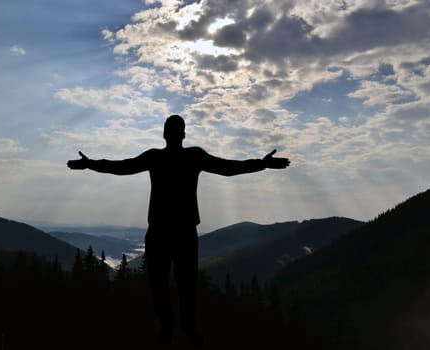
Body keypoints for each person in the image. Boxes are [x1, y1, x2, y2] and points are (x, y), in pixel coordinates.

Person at [67, 114, 290, 346]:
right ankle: (184, 329)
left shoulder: (158, 157)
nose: (173, 134)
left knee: (163, 285)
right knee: (184, 285)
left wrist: (90, 164)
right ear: (182, 134)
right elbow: (228, 168)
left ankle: (171, 328)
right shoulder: (192, 157)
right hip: (181, 233)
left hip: (162, 233)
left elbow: (122, 167)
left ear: (165, 134)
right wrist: (262, 164)